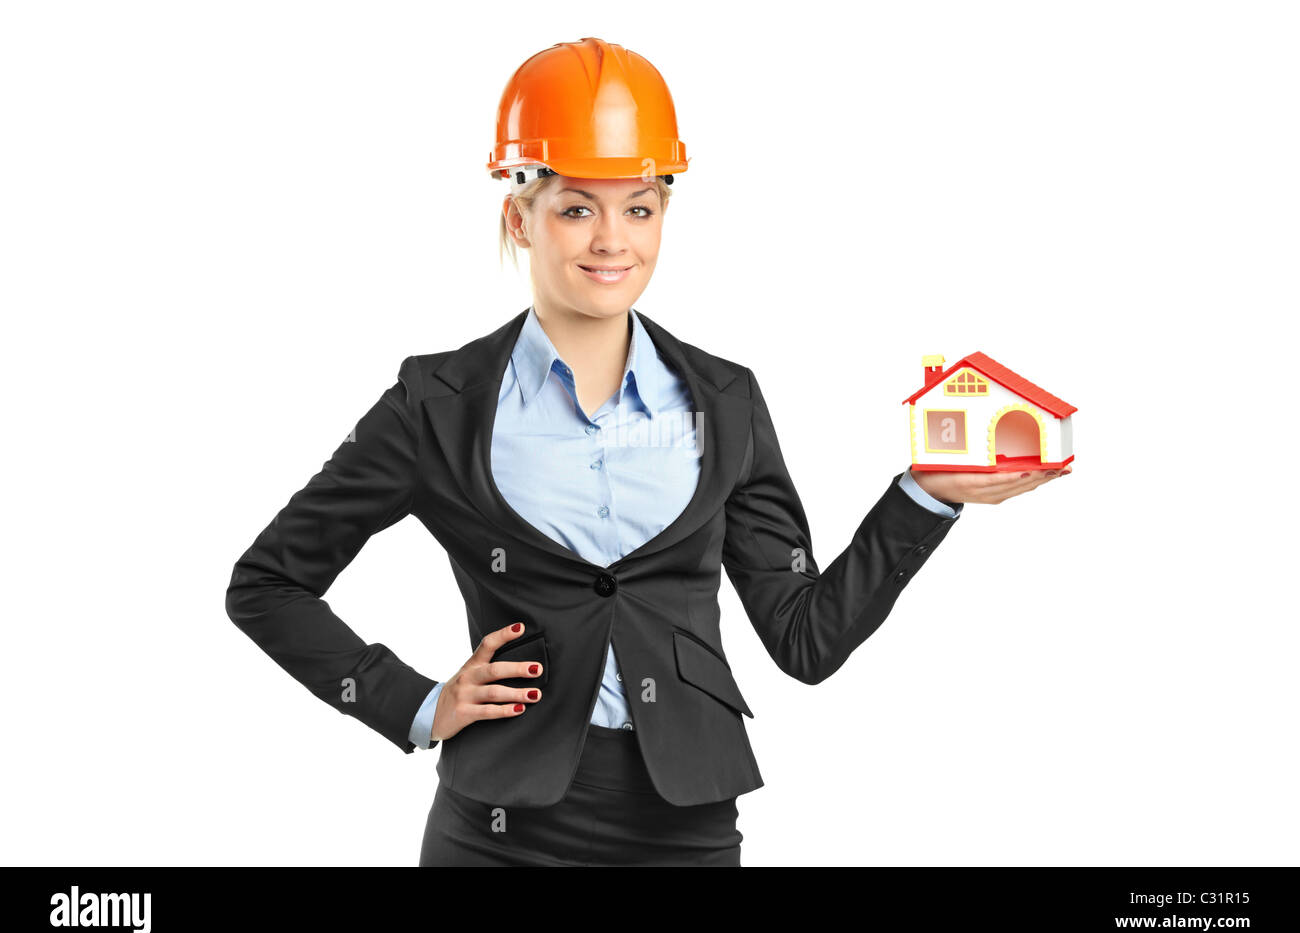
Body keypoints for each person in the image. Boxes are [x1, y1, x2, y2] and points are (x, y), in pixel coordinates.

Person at [226, 37, 1069, 867]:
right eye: (575, 207)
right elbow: (267, 584)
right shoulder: (436, 404)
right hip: (498, 831)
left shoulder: (726, 401)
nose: (611, 241)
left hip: (685, 829)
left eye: (639, 206)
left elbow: (804, 639)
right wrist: (415, 703)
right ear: (519, 217)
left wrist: (927, 495)